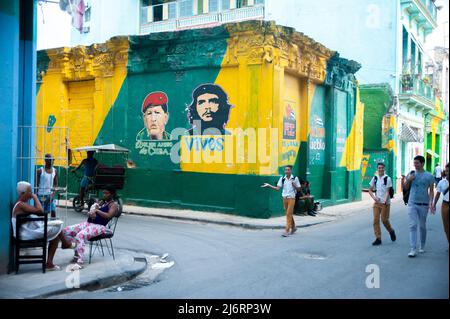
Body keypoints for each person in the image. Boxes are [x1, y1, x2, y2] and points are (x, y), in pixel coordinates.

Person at [11, 181, 74, 271]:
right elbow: (40, 211)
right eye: (29, 192)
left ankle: (52, 260)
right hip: (25, 234)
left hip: (26, 231)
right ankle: (65, 245)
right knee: (57, 227)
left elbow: (38, 212)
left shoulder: (21, 204)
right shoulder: (21, 205)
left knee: (56, 229)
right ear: (22, 193)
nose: (31, 194)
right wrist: (35, 198)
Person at [63, 187, 119, 266]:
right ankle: (76, 247)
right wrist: (92, 211)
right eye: (103, 193)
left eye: (106, 193)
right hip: (89, 223)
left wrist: (97, 211)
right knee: (65, 231)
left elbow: (108, 216)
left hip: (99, 226)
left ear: (112, 194)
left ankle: (79, 260)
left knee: (80, 235)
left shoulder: (114, 205)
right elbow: (93, 210)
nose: (104, 195)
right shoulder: (102, 202)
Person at [403, 155, 435, 258]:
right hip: (412, 203)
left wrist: (431, 203)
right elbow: (405, 187)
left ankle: (422, 244)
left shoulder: (429, 176)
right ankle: (413, 249)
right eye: (414, 163)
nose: (415, 165)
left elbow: (431, 190)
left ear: (422, 163)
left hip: (424, 204)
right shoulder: (411, 174)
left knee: (422, 226)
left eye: (417, 163)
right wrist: (409, 180)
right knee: (412, 225)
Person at [261, 165, 301, 237]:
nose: (286, 171)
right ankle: (294, 227)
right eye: (285, 170)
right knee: (288, 213)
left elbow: (299, 190)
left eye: (288, 170)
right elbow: (277, 188)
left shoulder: (295, 178)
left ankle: (286, 230)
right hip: (284, 198)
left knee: (288, 214)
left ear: (291, 170)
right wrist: (269, 185)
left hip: (291, 198)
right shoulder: (282, 178)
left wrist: (294, 185)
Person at [368, 162, 396, 246]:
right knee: (375, 221)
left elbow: (387, 192)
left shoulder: (387, 178)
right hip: (377, 203)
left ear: (384, 169)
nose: (381, 169)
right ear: (377, 169)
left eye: (382, 168)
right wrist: (374, 198)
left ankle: (391, 231)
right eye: (379, 168)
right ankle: (378, 238)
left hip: (385, 203)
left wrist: (384, 201)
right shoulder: (375, 178)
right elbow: (370, 190)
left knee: (384, 220)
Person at [432, 163, 449, 246]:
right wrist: (434, 204)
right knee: (446, 227)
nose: (448, 173)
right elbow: (438, 194)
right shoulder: (442, 182)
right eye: (446, 171)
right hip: (445, 205)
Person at [36, 153, 58, 218]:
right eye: (50, 160)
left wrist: (53, 194)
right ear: (45, 160)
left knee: (53, 211)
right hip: (41, 195)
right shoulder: (40, 170)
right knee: (42, 213)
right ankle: (42, 226)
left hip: (50, 195)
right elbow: (36, 184)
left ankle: (54, 226)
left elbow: (56, 184)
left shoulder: (55, 171)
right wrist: (36, 196)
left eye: (53, 160)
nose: (52, 161)